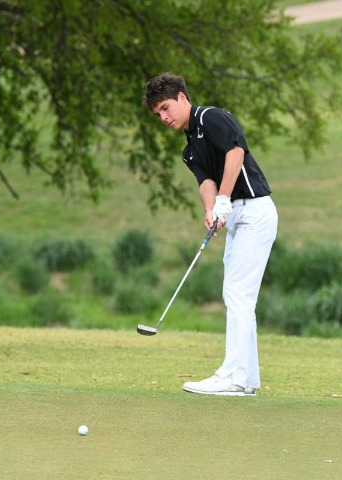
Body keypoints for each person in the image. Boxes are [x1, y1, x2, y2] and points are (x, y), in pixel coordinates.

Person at [143, 72, 278, 396]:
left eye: (165, 108)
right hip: (237, 216)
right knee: (238, 295)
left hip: (255, 211)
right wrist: (211, 210)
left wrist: (223, 201)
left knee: (237, 293)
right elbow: (206, 182)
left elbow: (236, 153)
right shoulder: (190, 150)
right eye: (157, 114)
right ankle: (247, 379)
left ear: (182, 98)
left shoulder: (212, 117)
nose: (163, 117)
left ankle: (233, 375)